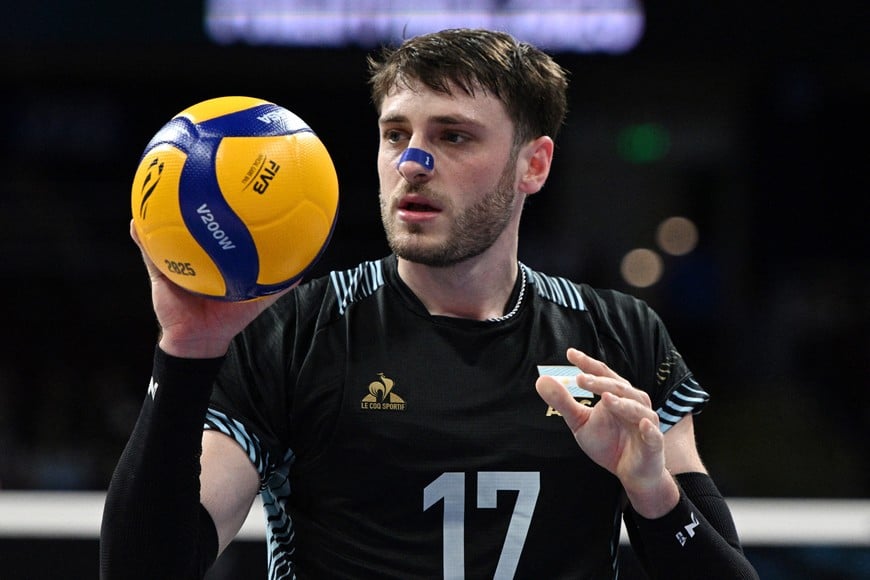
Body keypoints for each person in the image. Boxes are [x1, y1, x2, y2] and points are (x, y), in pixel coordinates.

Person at [100, 28, 759, 580]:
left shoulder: (618, 338)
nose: (413, 161)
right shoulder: (294, 333)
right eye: (395, 133)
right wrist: (185, 349)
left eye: (454, 136)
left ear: (534, 165)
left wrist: (653, 493)